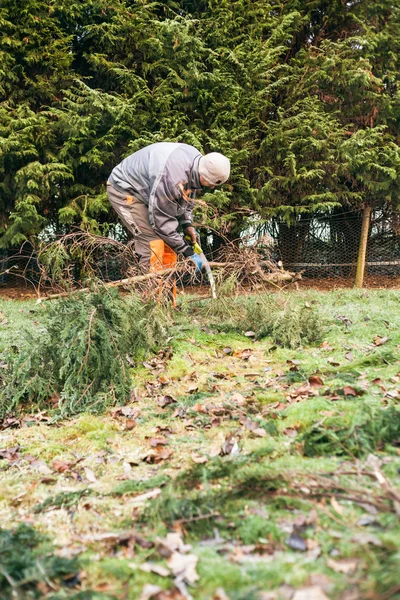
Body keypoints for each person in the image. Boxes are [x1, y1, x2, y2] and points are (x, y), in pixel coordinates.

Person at [106, 142, 230, 273]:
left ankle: (166, 292)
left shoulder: (196, 164)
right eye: (210, 183)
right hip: (125, 190)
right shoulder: (171, 177)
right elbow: (160, 221)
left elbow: (184, 200)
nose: (211, 187)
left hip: (149, 191)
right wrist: (186, 251)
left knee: (168, 246)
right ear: (203, 173)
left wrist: (187, 224)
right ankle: (149, 292)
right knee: (152, 244)